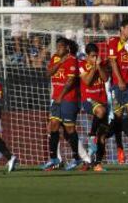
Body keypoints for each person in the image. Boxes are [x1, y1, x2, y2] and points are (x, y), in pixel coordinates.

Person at [42, 37, 90, 171]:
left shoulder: (73, 60)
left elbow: (69, 82)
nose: (57, 49)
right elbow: (48, 73)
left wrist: (61, 96)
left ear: (67, 48)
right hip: (56, 99)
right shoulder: (55, 58)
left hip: (68, 99)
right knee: (53, 126)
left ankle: (77, 158)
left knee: (69, 130)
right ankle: (53, 159)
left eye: (60, 47)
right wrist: (59, 63)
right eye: (57, 47)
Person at [108, 19, 128, 164]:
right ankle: (120, 149)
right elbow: (113, 62)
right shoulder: (114, 42)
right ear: (121, 29)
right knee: (118, 118)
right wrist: (120, 80)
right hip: (117, 84)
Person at [79, 43, 109, 171]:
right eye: (92, 56)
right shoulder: (81, 65)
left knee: (102, 136)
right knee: (100, 111)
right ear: (87, 56)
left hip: (102, 99)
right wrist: (94, 68)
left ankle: (95, 163)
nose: (95, 58)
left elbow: (105, 78)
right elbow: (87, 81)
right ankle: (91, 134)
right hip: (89, 100)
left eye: (96, 56)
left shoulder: (101, 64)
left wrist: (99, 66)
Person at [11, 0, 38, 66]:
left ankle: (26, 54)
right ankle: (19, 54)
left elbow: (34, 1)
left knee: (26, 35)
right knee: (17, 35)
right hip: (17, 11)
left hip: (28, 12)